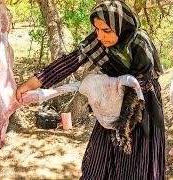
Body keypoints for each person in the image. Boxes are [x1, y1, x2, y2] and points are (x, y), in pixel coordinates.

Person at [16, 1, 165, 179]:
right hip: (110, 102)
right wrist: (29, 85)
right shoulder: (98, 40)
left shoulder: (140, 43)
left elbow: (141, 86)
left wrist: (122, 124)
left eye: (106, 31)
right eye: (96, 29)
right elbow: (70, 61)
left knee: (132, 162)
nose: (100, 36)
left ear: (121, 26)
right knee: (99, 160)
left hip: (140, 105)